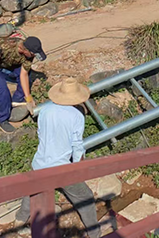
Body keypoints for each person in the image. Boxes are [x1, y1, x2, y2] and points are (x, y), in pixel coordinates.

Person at [15, 78, 101, 238]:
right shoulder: (77, 115)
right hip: (61, 168)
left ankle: (19, 220)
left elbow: (41, 135)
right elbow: (77, 146)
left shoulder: (45, 110)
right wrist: (78, 167)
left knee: (32, 191)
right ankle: (95, 233)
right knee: (85, 197)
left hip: (40, 162)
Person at [0, 35, 47, 132]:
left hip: (8, 64)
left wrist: (28, 98)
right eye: (33, 54)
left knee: (27, 78)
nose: (33, 57)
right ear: (24, 50)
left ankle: (17, 101)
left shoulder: (29, 55)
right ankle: (1, 119)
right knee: (1, 87)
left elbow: (23, 74)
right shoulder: (5, 46)